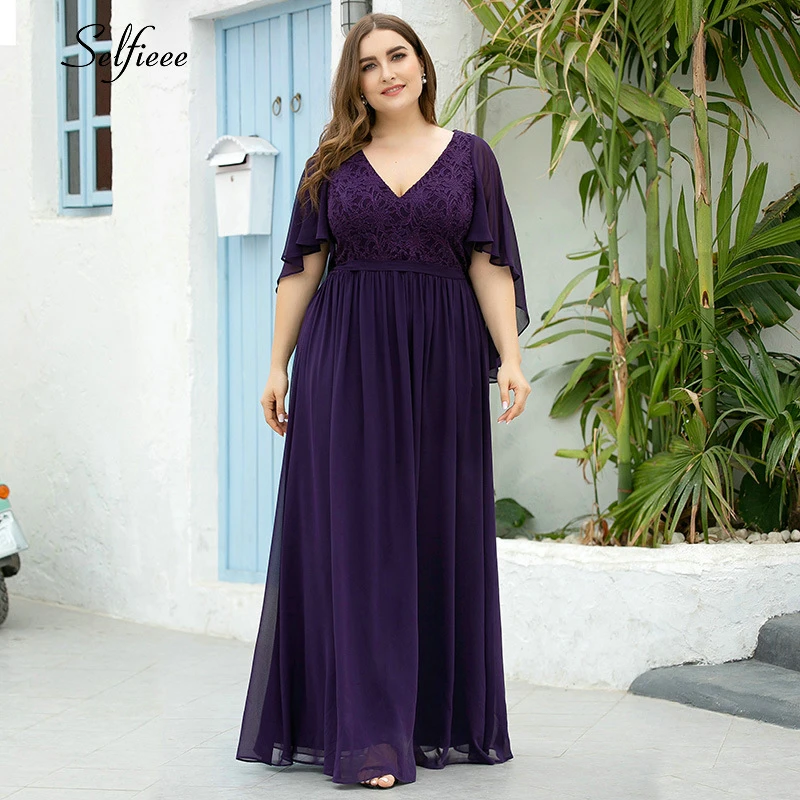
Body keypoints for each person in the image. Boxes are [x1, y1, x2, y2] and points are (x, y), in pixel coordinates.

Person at [235, 11, 532, 790]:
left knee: (435, 527)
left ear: (422, 65)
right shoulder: (330, 161)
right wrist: (276, 365)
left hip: (442, 359)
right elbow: (302, 268)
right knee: (358, 537)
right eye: (368, 65)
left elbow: (489, 263)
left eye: (397, 56)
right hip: (348, 356)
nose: (387, 72)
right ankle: (368, 734)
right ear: (355, 83)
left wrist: (510, 356)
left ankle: (430, 719)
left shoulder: (472, 158)